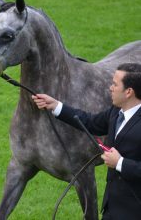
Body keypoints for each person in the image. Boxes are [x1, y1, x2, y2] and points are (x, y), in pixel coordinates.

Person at [32, 63, 141, 220]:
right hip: (112, 207)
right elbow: (90, 122)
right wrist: (56, 106)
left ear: (129, 92)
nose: (110, 88)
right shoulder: (117, 111)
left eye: (115, 84)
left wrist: (120, 163)